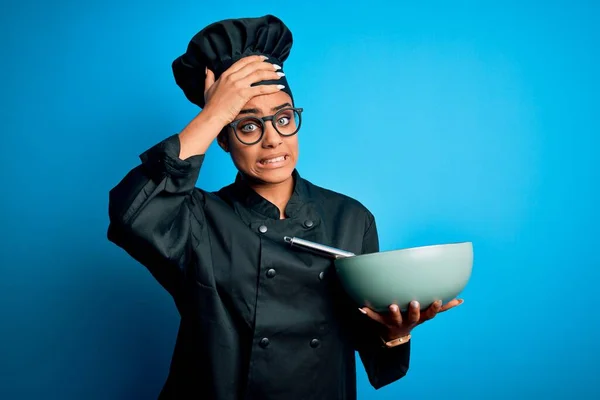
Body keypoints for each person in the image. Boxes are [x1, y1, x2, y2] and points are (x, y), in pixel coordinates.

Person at [107, 14, 462, 400]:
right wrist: (212, 114)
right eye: (247, 126)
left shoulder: (350, 218)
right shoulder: (195, 218)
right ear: (223, 139)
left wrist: (394, 334)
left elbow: (376, 357)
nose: (273, 140)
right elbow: (131, 216)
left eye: (284, 118)